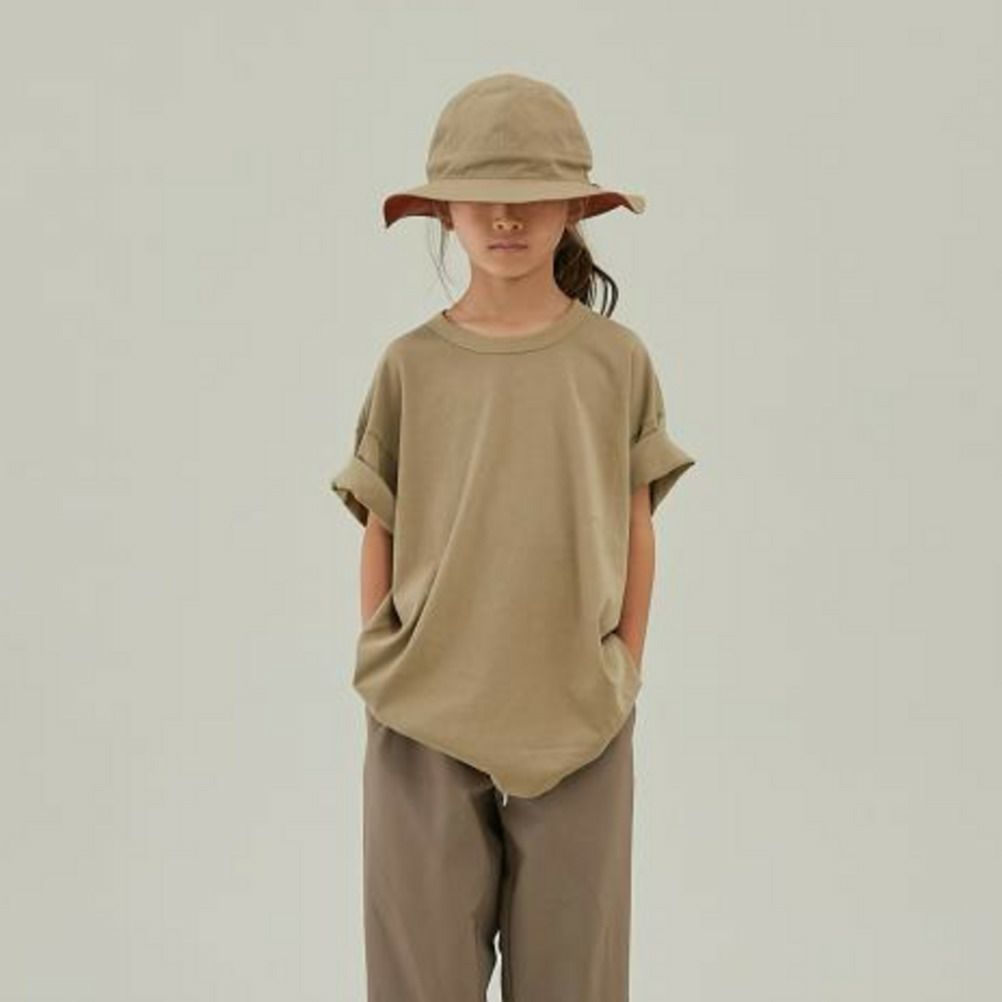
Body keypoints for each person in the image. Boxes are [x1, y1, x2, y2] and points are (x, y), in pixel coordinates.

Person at [329, 71, 696, 1002]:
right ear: (444, 210)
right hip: (422, 711)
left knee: (576, 981)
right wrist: (384, 660)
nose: (505, 218)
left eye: (532, 196)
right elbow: (381, 522)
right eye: (483, 196)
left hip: (578, 712)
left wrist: (623, 667)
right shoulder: (411, 365)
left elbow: (637, 521)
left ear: (573, 208)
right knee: (420, 982)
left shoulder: (615, 362)